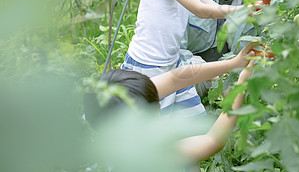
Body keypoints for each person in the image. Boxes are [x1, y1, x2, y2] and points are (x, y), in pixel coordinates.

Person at [85, 45, 256, 170]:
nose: (160, 104)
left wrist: (234, 63)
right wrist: (241, 85)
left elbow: (175, 79)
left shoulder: (119, 101)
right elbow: (213, 140)